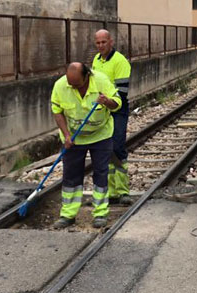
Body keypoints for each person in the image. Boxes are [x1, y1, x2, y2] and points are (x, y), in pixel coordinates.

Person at [51, 62, 122, 229]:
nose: (74, 88)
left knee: (101, 173)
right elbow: (57, 110)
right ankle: (68, 214)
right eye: (71, 85)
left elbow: (117, 104)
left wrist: (107, 101)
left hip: (101, 135)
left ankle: (100, 213)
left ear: (87, 76)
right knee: (71, 175)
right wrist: (67, 135)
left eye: (77, 85)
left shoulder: (102, 81)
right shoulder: (61, 86)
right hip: (74, 138)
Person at [91, 29, 133, 204]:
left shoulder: (120, 62)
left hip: (117, 110)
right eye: (98, 43)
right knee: (105, 150)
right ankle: (110, 190)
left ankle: (122, 190)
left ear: (111, 42)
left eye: (104, 42)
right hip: (102, 111)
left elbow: (121, 94)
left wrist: (107, 100)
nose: (101, 45)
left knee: (117, 148)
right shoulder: (96, 60)